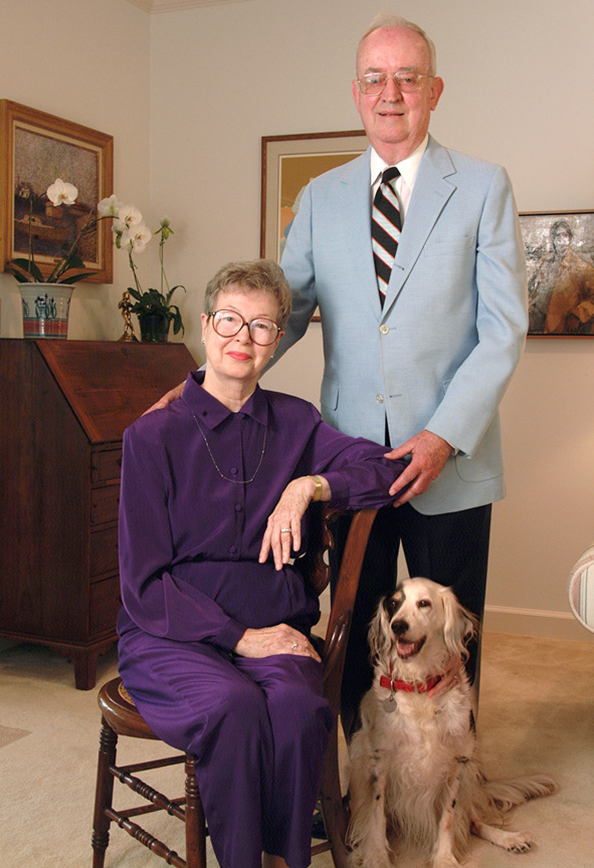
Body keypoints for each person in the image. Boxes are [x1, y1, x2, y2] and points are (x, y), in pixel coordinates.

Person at [150, 14, 528, 731]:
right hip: (350, 460)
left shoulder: (482, 187)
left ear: (434, 90)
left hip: (449, 458)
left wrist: (443, 436)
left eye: (408, 78)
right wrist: (203, 381)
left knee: (447, 638)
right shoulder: (320, 198)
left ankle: (450, 794)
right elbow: (281, 314)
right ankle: (346, 778)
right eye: (375, 79)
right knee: (352, 631)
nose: (391, 93)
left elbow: (503, 329)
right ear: (356, 93)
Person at [117, 259, 408, 868]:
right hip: (172, 633)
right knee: (234, 707)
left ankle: (283, 859)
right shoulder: (151, 438)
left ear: (277, 342)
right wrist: (241, 638)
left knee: (302, 710)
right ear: (204, 325)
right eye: (229, 320)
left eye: (262, 327)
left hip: (277, 628)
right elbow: (143, 583)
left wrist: (310, 486)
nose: (242, 338)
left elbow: (386, 468)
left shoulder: (296, 422)